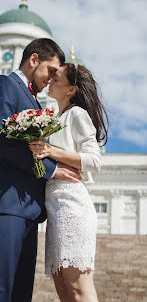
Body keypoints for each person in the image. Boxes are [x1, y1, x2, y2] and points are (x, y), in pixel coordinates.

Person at [0, 38, 80, 302]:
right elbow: (0, 139)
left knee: (20, 295)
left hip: (28, 213)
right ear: (34, 60)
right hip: (4, 206)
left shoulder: (35, 102)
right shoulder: (4, 85)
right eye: (51, 71)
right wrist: (51, 171)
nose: (52, 79)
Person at [29, 63, 109, 302]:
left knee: (78, 288)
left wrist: (51, 151)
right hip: (55, 209)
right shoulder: (56, 118)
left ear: (71, 89)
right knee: (64, 291)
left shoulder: (77, 114)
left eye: (57, 78)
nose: (51, 80)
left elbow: (94, 160)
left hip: (73, 205)